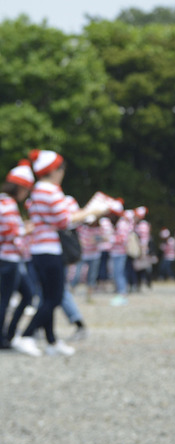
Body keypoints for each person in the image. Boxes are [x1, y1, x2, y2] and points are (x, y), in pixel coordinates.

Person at [14, 150, 104, 358]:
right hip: (49, 249)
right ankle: (26, 336)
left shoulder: (38, 190)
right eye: (61, 169)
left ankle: (51, 341)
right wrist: (93, 211)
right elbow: (64, 221)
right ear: (54, 170)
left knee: (48, 297)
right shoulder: (50, 190)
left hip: (39, 249)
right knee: (54, 298)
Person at [0, 162, 34, 350]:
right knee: (5, 300)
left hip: (9, 259)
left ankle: (9, 334)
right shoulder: (7, 204)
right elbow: (10, 232)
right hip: (8, 259)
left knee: (26, 294)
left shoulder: (4, 202)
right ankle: (3, 338)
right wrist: (26, 229)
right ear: (20, 187)